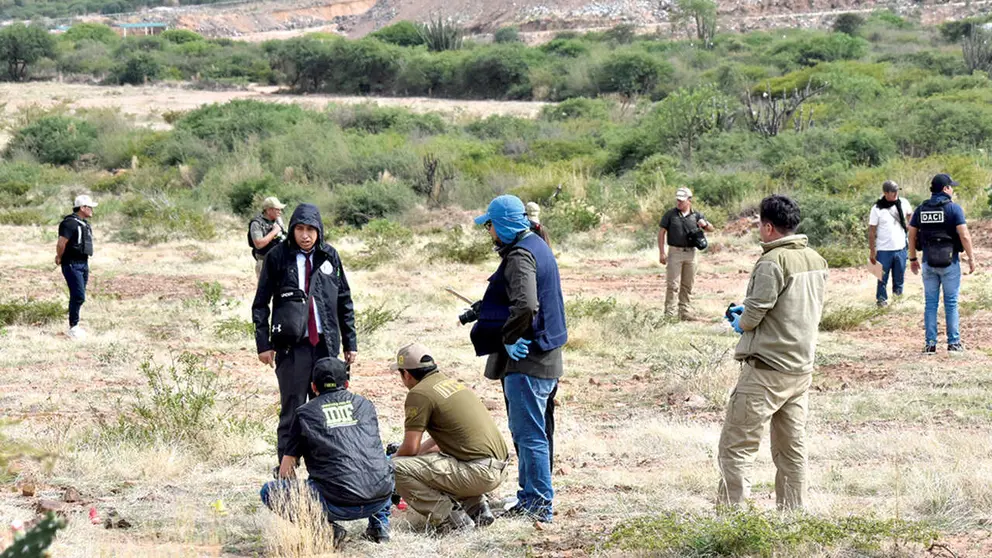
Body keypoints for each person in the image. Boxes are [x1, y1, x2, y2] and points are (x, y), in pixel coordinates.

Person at [719, 194, 828, 510]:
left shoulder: (771, 261)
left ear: (767, 227)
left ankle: (731, 525)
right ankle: (792, 519)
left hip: (766, 371)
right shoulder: (816, 259)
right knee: (791, 451)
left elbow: (752, 319)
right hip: (799, 370)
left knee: (736, 449)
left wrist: (742, 320)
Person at [470, 194, 567, 523]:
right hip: (546, 356)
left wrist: (508, 338)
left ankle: (538, 503)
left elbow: (526, 304)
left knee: (529, 434)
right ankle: (530, 495)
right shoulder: (538, 245)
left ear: (503, 225)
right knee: (533, 431)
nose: (490, 233)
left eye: (491, 226)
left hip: (529, 360)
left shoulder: (521, 255)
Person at [252, 203, 358, 467]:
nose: (305, 235)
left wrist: (350, 343)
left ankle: (326, 474)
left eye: (311, 229)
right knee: (293, 410)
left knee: (329, 409)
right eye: (299, 229)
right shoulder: (278, 256)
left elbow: (344, 300)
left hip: (326, 346)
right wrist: (263, 344)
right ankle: (286, 476)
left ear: (319, 231)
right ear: (292, 230)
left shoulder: (329, 256)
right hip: (292, 347)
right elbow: (261, 303)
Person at [260, 357, 393, 547]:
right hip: (379, 497)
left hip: (337, 503)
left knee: (270, 491)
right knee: (387, 461)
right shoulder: (365, 405)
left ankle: (327, 530)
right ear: (346, 384)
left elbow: (285, 472)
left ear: (313, 387)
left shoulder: (305, 413)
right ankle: (380, 525)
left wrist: (298, 494)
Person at [391, 343, 509, 532]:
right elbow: (445, 440)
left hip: (480, 473)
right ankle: (476, 507)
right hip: (497, 468)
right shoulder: (451, 383)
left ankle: (451, 521)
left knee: (394, 469)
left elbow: (410, 448)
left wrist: (391, 460)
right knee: (431, 462)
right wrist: (417, 455)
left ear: (406, 374)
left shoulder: (419, 393)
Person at [908, 173, 976, 354]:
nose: (953, 189)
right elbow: (964, 235)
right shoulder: (954, 209)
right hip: (950, 262)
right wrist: (971, 259)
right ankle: (953, 343)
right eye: (951, 186)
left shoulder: (921, 209)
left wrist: (913, 258)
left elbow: (912, 234)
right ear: (945, 189)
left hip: (928, 263)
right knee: (951, 303)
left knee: (930, 303)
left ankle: (930, 344)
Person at [658, 187, 715, 321]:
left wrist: (705, 224)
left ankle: (685, 312)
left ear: (689, 200)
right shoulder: (670, 215)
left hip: (691, 253)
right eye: (678, 200)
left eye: (682, 201)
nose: (679, 203)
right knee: (673, 285)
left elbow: (711, 229)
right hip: (675, 252)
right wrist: (662, 252)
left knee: (687, 284)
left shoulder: (696, 215)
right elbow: (661, 233)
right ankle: (669, 314)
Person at [56, 195, 97, 340]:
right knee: (78, 295)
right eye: (90, 207)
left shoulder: (83, 223)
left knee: (78, 296)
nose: (92, 210)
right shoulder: (70, 223)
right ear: (82, 208)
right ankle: (73, 326)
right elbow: (62, 243)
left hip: (83, 263)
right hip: (72, 263)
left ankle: (75, 324)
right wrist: (59, 257)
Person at [868, 180, 913, 308]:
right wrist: (872, 250)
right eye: (893, 192)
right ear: (885, 193)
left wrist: (910, 228)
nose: (895, 194)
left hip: (901, 248)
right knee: (881, 278)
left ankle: (898, 300)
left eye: (897, 191)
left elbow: (911, 216)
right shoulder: (877, 208)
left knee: (899, 278)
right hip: (883, 249)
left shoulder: (904, 203)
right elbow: (872, 231)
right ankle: (881, 301)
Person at [249, 197, 287, 278]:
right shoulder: (257, 224)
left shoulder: (278, 221)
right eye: (277, 209)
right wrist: (274, 231)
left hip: (280, 262)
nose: (280, 212)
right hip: (264, 262)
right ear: (268, 210)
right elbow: (258, 244)